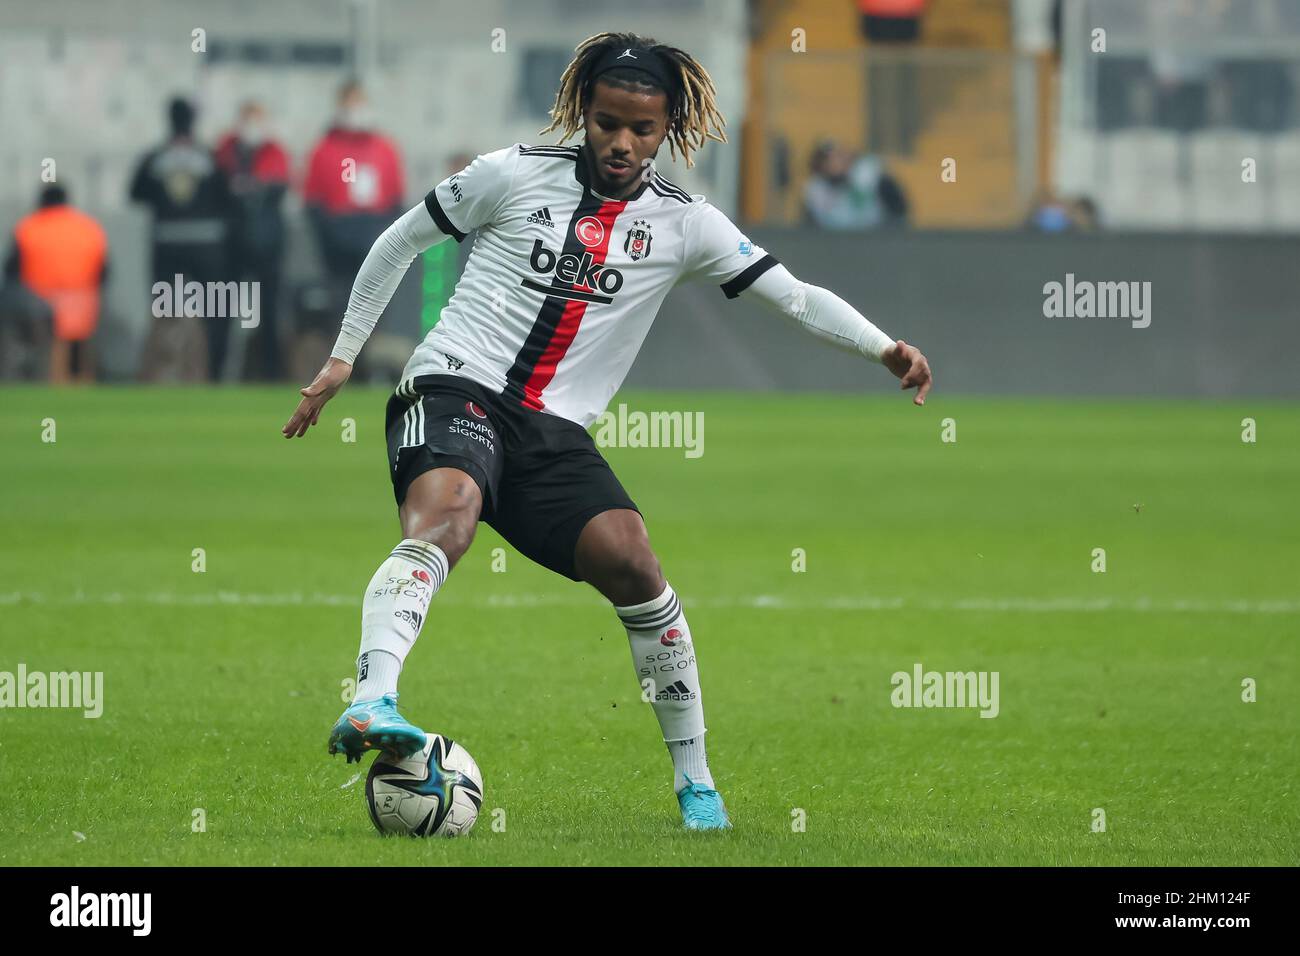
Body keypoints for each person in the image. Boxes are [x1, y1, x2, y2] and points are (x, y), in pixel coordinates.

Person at [282, 32, 933, 831]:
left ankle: (697, 786)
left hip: (553, 433)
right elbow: (398, 242)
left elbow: (792, 296)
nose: (621, 143)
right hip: (457, 385)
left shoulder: (684, 223)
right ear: (581, 113)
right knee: (448, 516)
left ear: (669, 130)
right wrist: (343, 358)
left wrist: (882, 347)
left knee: (634, 564)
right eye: (605, 123)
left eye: (642, 129)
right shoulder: (510, 174)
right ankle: (374, 696)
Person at [129, 97, 232, 382]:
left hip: (167, 243)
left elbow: (135, 192)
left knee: (166, 313)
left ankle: (162, 374)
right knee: (214, 312)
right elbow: (228, 198)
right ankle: (211, 375)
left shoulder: (154, 157)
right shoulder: (209, 157)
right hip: (208, 246)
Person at [303, 80, 406, 327]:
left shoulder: (384, 148)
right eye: (349, 103)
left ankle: (370, 359)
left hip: (375, 231)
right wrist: (330, 232)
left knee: (376, 303)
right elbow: (312, 199)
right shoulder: (325, 149)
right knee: (341, 303)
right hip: (337, 235)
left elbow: (396, 197)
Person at [216, 100, 291, 380]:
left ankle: (271, 373)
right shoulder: (227, 150)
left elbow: (276, 187)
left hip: (267, 245)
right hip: (234, 244)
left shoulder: (274, 151)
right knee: (223, 311)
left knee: (269, 312)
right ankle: (217, 371)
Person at [4, 184, 109, 384]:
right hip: (82, 302)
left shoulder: (28, 227)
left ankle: (52, 381)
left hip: (39, 303)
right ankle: (82, 381)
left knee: (50, 346)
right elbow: (104, 272)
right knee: (80, 346)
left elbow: (11, 270)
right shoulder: (88, 227)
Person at [804, 140, 909, 230]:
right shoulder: (816, 188)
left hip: (873, 239)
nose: (835, 162)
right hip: (833, 244)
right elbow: (810, 223)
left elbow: (898, 211)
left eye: (838, 157)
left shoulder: (869, 176)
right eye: (828, 159)